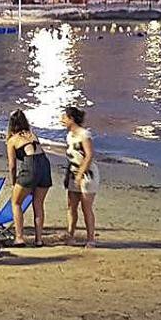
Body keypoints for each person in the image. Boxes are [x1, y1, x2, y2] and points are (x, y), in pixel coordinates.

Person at [6, 110, 52, 247]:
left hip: (30, 165)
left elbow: (12, 165)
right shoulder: (32, 135)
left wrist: (14, 182)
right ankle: (39, 239)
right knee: (38, 204)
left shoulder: (12, 140)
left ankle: (19, 237)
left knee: (16, 202)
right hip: (44, 164)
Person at [62, 106, 98, 248]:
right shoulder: (69, 135)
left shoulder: (84, 134)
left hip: (87, 174)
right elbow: (71, 157)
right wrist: (69, 175)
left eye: (64, 117)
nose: (62, 120)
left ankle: (91, 239)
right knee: (71, 206)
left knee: (86, 207)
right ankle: (70, 235)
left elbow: (89, 155)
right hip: (73, 172)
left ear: (71, 119)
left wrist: (80, 174)